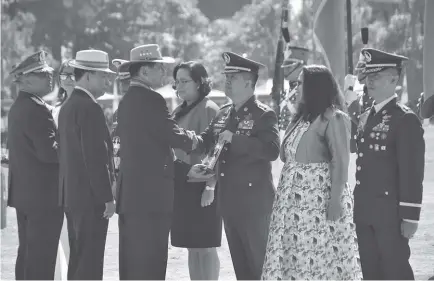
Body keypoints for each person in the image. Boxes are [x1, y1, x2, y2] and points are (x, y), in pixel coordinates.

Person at [115, 44, 211, 280]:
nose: (164, 74)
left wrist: (186, 169)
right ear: (145, 71)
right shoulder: (151, 100)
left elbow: (151, 151)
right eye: (159, 68)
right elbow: (171, 134)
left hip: (132, 196)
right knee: (151, 262)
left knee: (132, 262)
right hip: (151, 199)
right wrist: (199, 141)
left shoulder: (127, 100)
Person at [262, 64, 361, 280]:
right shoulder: (301, 119)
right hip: (291, 202)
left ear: (315, 87)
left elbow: (341, 161)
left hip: (318, 201)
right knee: (292, 258)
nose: (296, 88)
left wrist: (335, 201)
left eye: (300, 83)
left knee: (319, 260)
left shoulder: (333, 117)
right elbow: (285, 155)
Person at [192, 51, 279, 280]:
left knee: (261, 266)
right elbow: (204, 140)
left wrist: (237, 139)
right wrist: (180, 136)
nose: (227, 82)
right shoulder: (223, 114)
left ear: (249, 82)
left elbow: (272, 150)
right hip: (230, 203)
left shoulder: (264, 114)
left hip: (255, 205)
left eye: (233, 78)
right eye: (226, 77)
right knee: (242, 269)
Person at [346, 48, 425, 280]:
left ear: (393, 79)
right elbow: (353, 148)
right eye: (368, 76)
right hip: (365, 210)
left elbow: (412, 172)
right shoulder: (366, 116)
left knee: (395, 270)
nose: (370, 82)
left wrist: (410, 216)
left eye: (376, 76)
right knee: (370, 272)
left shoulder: (405, 119)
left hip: (390, 214)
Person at [57, 49, 116, 280]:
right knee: (90, 262)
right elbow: (95, 158)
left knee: (79, 259)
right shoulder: (89, 108)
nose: (107, 81)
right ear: (88, 75)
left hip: (73, 196)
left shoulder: (69, 105)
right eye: (103, 76)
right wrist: (106, 197)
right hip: (91, 198)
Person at [7, 50, 64, 279]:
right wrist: (72, 148)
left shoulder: (20, 106)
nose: (51, 77)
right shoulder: (37, 109)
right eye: (43, 74)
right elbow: (49, 154)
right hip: (43, 197)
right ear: (27, 79)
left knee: (29, 254)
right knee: (41, 257)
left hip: (26, 195)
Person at [170, 61, 221, 280]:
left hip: (203, 186)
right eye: (176, 82)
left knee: (206, 246)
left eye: (184, 81)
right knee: (192, 245)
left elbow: (216, 152)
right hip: (183, 184)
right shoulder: (178, 110)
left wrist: (210, 186)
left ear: (200, 82)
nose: (178, 86)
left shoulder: (210, 109)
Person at [50, 59, 79, 280]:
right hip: (56, 180)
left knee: (76, 241)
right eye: (64, 75)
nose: (68, 79)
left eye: (72, 74)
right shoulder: (54, 110)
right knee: (59, 238)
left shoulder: (85, 107)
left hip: (78, 182)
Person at [279, 46, 309, 130]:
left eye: (289, 67)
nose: (285, 70)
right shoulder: (286, 91)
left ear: (301, 67)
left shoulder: (306, 92)